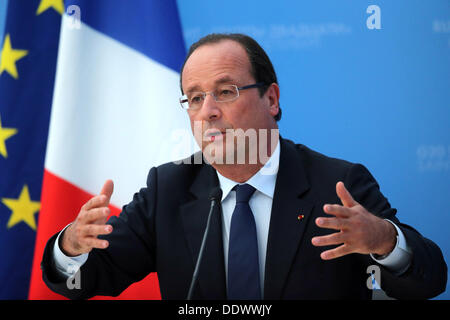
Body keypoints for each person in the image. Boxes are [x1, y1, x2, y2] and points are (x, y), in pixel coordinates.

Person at [41, 33, 447, 300]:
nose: (208, 112)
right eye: (194, 98)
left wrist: (383, 241)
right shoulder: (169, 188)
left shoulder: (336, 184)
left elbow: (429, 280)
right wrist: (72, 247)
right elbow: (90, 278)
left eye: (225, 91)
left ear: (271, 99)